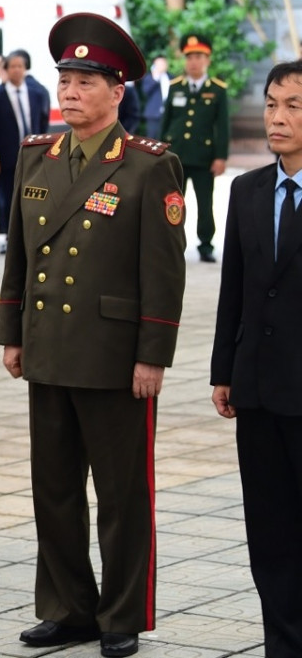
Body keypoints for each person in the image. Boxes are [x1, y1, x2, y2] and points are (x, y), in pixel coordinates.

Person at [0, 13, 187, 658]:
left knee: (121, 494)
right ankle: (66, 607)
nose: (70, 91)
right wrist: (12, 332)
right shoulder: (36, 157)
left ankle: (121, 615)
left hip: (112, 357)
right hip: (48, 346)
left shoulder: (146, 167)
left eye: (85, 81)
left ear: (118, 91)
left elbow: (163, 272)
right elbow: (19, 257)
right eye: (66, 79)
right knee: (52, 490)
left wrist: (152, 355)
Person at [210, 59, 302, 657]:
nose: (278, 117)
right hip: (259, 389)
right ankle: (282, 642)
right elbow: (235, 291)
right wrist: (223, 371)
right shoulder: (246, 190)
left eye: (293, 105)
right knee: (269, 531)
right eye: (271, 104)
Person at [161, 34, 229, 263]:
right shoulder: (175, 86)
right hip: (175, 156)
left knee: (205, 203)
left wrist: (220, 157)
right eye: (189, 57)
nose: (193, 62)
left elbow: (223, 126)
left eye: (198, 56)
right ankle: (171, 242)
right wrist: (160, 152)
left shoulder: (218, 89)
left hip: (203, 158)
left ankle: (206, 244)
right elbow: (166, 122)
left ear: (207, 59)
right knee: (173, 202)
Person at [0, 49, 51, 239]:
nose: (17, 70)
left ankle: (32, 232)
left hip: (34, 154)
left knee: (34, 194)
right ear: (6, 69)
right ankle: (10, 234)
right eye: (13, 66)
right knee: (9, 195)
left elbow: (42, 120)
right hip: (7, 156)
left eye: (20, 66)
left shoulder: (35, 93)